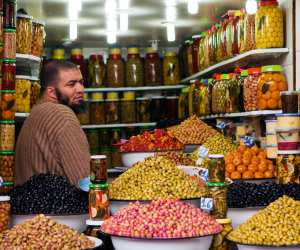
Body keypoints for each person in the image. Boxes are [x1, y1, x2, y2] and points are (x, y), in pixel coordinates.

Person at [15, 60, 90, 186]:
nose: (80, 89)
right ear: (51, 92)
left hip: (32, 203)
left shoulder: (36, 111)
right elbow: (84, 181)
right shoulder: (62, 114)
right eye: (71, 84)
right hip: (57, 205)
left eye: (81, 83)